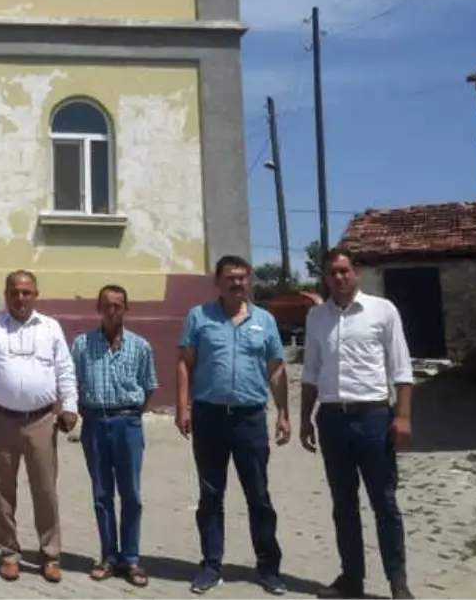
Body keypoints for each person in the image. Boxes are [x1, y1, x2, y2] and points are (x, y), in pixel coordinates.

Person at [300, 247, 416, 600]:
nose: (339, 277)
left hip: (373, 418)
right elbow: (310, 371)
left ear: (356, 273)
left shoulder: (383, 311)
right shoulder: (316, 317)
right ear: (325, 278)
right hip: (333, 420)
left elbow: (401, 368)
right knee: (343, 504)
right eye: (332, 273)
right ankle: (351, 578)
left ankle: (398, 583)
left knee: (384, 503)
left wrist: (403, 416)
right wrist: (305, 418)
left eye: (344, 271)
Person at [176, 254, 290, 596]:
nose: (237, 283)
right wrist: (183, 407)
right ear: (218, 281)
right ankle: (211, 565)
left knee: (258, 494)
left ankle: (268, 568)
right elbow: (185, 364)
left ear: (249, 280)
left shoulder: (265, 320)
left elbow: (276, 369)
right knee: (210, 494)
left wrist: (283, 412)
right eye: (230, 277)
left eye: (242, 277)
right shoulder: (199, 317)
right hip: (209, 416)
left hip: (250, 418)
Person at [0, 269, 78, 583]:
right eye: (14, 292)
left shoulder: (50, 328)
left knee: (45, 490)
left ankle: (50, 555)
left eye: (27, 292)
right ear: (6, 295)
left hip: (42, 420)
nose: (20, 298)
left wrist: (69, 406)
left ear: (36, 295)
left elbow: (65, 370)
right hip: (1, 419)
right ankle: (9, 553)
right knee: (2, 490)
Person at [71, 284, 157, 587]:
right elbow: (73, 384)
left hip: (127, 424)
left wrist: (130, 416)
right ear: (98, 307)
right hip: (94, 424)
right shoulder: (82, 345)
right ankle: (108, 555)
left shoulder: (141, 346)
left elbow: (148, 387)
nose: (112, 310)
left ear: (126, 308)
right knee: (101, 493)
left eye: (118, 305)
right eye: (106, 305)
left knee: (131, 493)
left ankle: (131, 558)